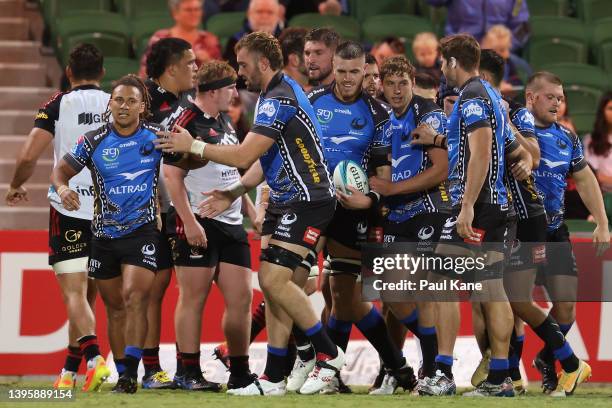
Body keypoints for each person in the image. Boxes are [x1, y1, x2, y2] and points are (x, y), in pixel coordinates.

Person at [155, 31, 343, 396]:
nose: (239, 74)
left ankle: (327, 354)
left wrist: (192, 144)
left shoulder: (276, 100)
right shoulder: (278, 93)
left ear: (262, 62)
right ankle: (280, 370)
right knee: (275, 287)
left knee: (273, 282)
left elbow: (243, 156)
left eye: (242, 64)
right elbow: (262, 159)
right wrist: (235, 191)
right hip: (292, 200)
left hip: (307, 199)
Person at [307, 40, 418, 395]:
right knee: (293, 283)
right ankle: (296, 367)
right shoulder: (312, 103)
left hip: (353, 208)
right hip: (312, 201)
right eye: (342, 71)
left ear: (364, 70)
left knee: (345, 298)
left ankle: (394, 366)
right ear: (333, 67)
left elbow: (384, 170)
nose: (348, 78)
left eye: (355, 72)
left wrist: (368, 200)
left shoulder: (378, 113)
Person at [50, 75, 169, 394]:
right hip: (103, 235)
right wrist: (62, 189)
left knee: (135, 297)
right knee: (114, 305)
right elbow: (61, 171)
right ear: (110, 104)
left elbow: (184, 163)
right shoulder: (93, 139)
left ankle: (131, 370)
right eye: (119, 100)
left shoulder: (157, 136)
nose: (125, 106)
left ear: (142, 107)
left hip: (142, 231)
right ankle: (122, 373)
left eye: (132, 101)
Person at [5, 43, 111, 392]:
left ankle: (95, 360)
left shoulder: (58, 104)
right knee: (88, 296)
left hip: (68, 206)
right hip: (109, 209)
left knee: (74, 294)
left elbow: (27, 154)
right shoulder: (118, 103)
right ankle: (68, 372)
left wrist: (17, 184)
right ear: (103, 73)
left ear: (68, 72)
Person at [415, 34, 516, 397]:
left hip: (478, 204)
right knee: (491, 288)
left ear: (454, 62)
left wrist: (468, 205)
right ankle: (501, 377)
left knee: (438, 281)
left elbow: (481, 151)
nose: (442, 69)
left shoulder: (472, 96)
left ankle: (442, 372)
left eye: (443, 63)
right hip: (497, 202)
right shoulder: (490, 94)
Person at [164, 60, 256, 391]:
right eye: (231, 87)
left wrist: (248, 208)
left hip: (231, 224)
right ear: (215, 90)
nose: (236, 92)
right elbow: (171, 176)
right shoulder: (184, 121)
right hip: (198, 220)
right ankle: (187, 372)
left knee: (242, 298)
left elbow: (231, 171)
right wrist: (189, 222)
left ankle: (240, 371)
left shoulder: (223, 121)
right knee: (193, 298)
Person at [366, 55, 448, 394]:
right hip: (393, 214)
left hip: (428, 211)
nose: (397, 90)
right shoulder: (382, 119)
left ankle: (432, 368)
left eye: (403, 83)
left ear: (412, 82)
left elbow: (441, 169)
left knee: (411, 291)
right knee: (390, 296)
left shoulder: (429, 115)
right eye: (391, 84)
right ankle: (403, 368)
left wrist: (393, 189)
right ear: (382, 86)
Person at [527, 71, 608, 396]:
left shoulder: (568, 138)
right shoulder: (514, 133)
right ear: (531, 98)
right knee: (514, 305)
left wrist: (602, 222)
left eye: (561, 99)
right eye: (551, 97)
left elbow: (586, 180)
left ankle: (547, 359)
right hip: (521, 232)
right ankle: (506, 375)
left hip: (554, 231)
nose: (558, 104)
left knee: (566, 307)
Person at [142, 37, 199, 390]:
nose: (196, 67)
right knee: (153, 288)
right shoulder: (143, 102)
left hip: (173, 207)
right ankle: (147, 369)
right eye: (190, 62)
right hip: (148, 210)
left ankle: (181, 368)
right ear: (172, 67)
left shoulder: (183, 105)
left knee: (172, 287)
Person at [139, 0, 221, 78]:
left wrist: (208, 61)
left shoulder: (209, 39)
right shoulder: (160, 38)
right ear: (175, 13)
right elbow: (145, 73)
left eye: (197, 9)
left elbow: (222, 77)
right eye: (188, 10)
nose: (194, 13)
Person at [426, 0, 530, 50]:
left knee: (525, 72)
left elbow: (523, 28)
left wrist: (504, 46)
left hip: (498, 54)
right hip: (460, 51)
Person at [223, 0, 283, 73]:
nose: (264, 16)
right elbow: (233, 74)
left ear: (278, 16)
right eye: (259, 12)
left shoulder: (285, 41)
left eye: (270, 12)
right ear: (248, 14)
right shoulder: (235, 41)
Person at [480, 25, 532, 93]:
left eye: (508, 48)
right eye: (502, 50)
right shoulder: (473, 68)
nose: (507, 55)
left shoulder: (518, 66)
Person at [584, 92, 612, 195]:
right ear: (603, 111)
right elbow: (594, 175)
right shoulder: (591, 140)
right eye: (610, 108)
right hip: (602, 195)